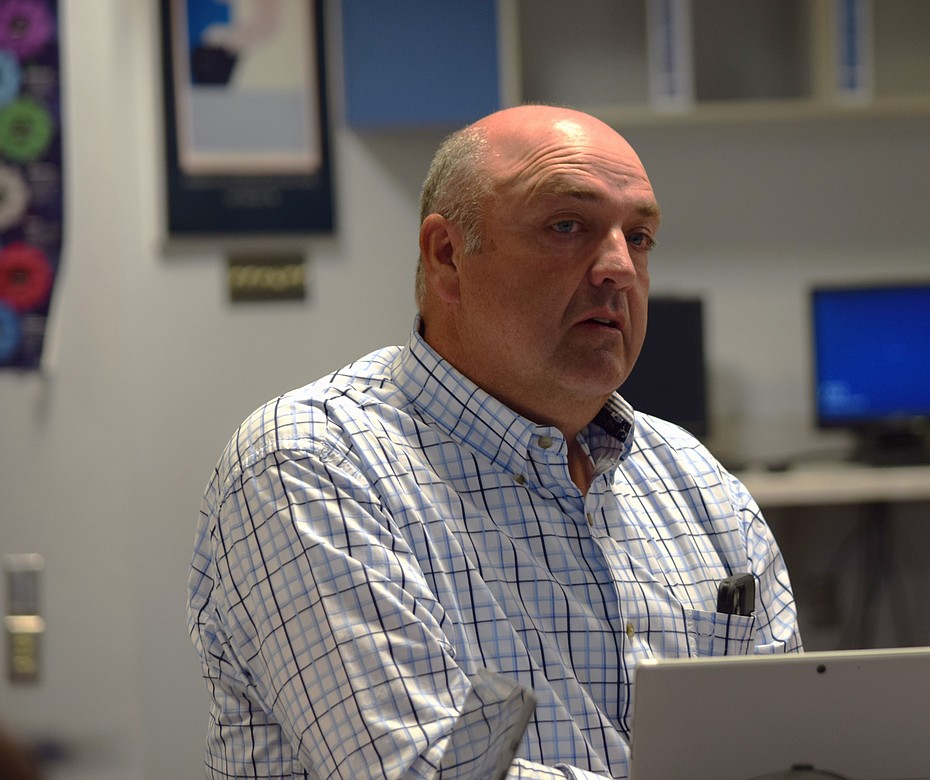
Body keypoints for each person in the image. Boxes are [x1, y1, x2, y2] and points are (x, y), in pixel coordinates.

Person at [188, 104, 801, 779]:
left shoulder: (701, 487)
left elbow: (793, 750)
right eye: (568, 226)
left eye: (640, 236)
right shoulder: (313, 465)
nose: (619, 268)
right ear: (448, 256)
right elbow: (418, 772)